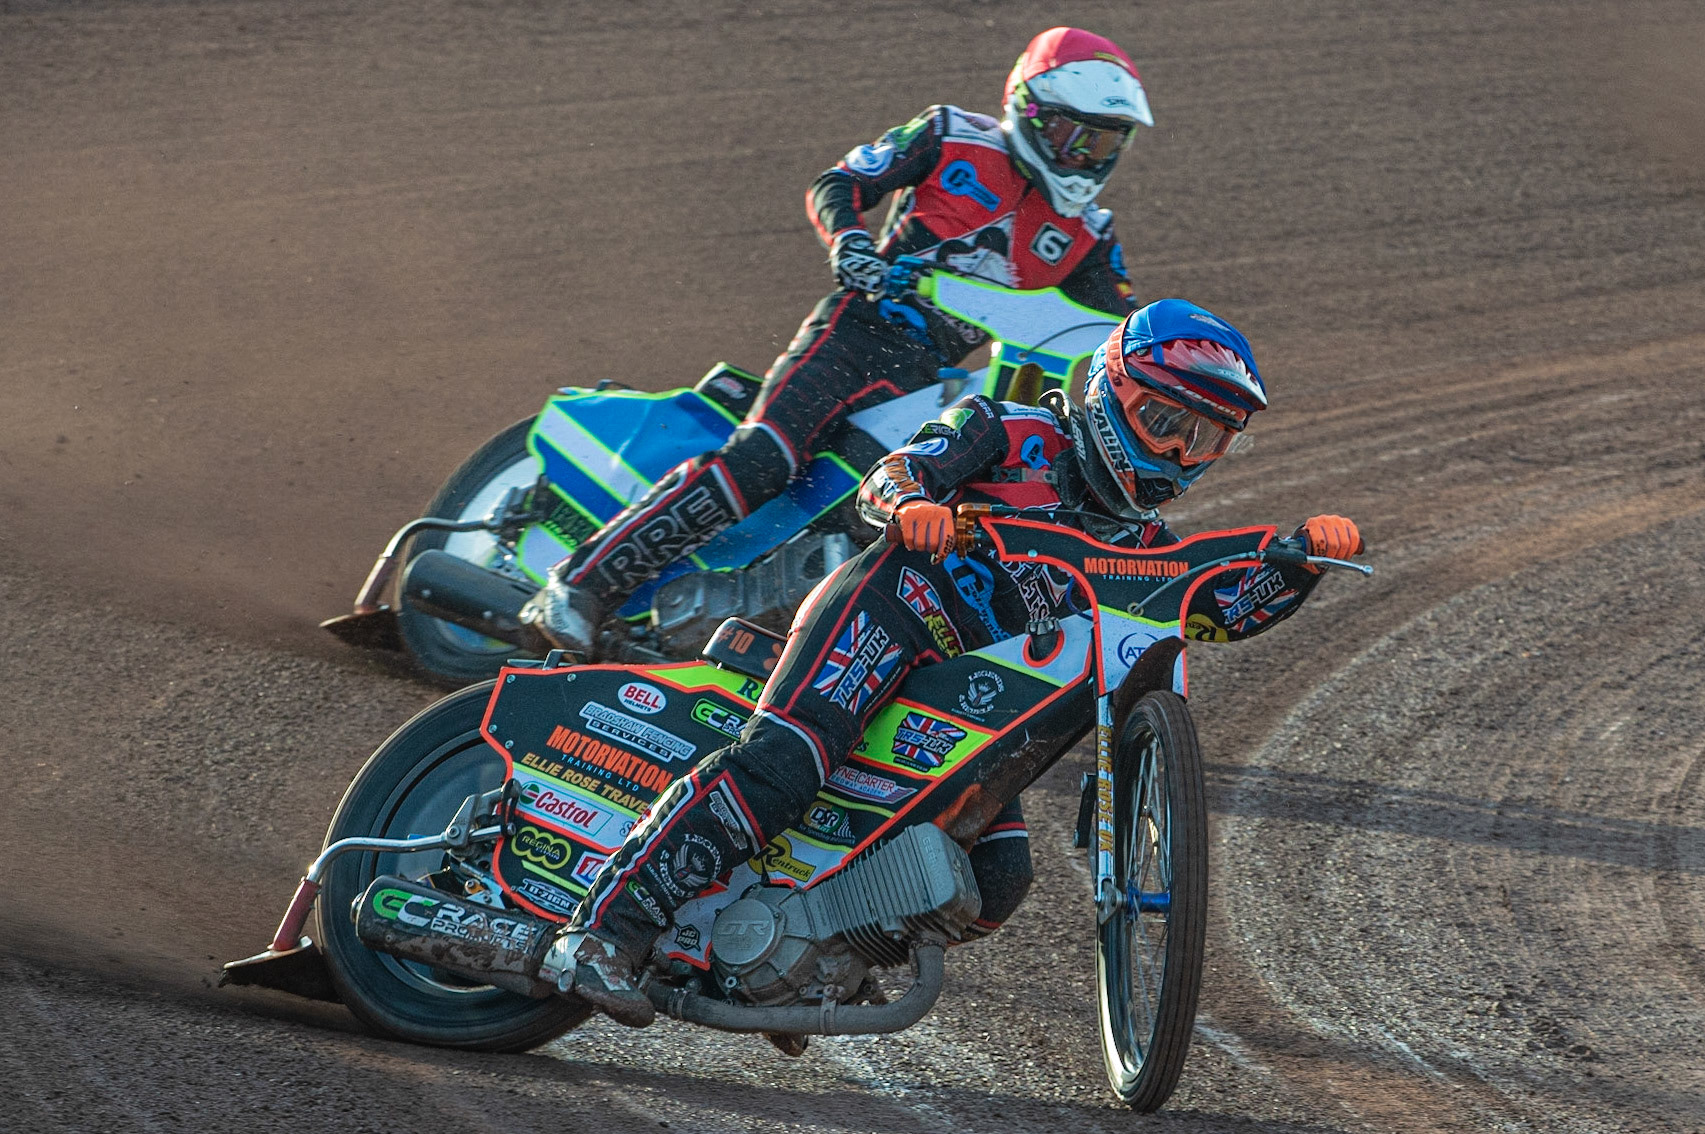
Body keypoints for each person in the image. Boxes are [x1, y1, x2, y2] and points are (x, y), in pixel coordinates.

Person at [542, 298, 1366, 1027]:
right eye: (1165, 422)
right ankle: (602, 931)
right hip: (894, 610)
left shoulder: (1144, 546)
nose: (1181, 454)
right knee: (784, 763)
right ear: (1110, 391)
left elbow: (1218, 615)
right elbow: (893, 474)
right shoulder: (1009, 430)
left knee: (998, 878)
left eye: (1208, 439)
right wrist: (912, 506)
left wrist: (1297, 567)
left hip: (966, 694)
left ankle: (820, 953)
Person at [520, 26, 1156, 658]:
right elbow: (840, 183)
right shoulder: (951, 135)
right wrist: (850, 240)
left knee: (893, 516)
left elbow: (1127, 328)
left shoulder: (1090, 235)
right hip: (855, 331)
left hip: (927, 381)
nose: (1089, 155)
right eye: (1080, 134)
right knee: (766, 457)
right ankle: (580, 584)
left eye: (1106, 140)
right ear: (1034, 112)